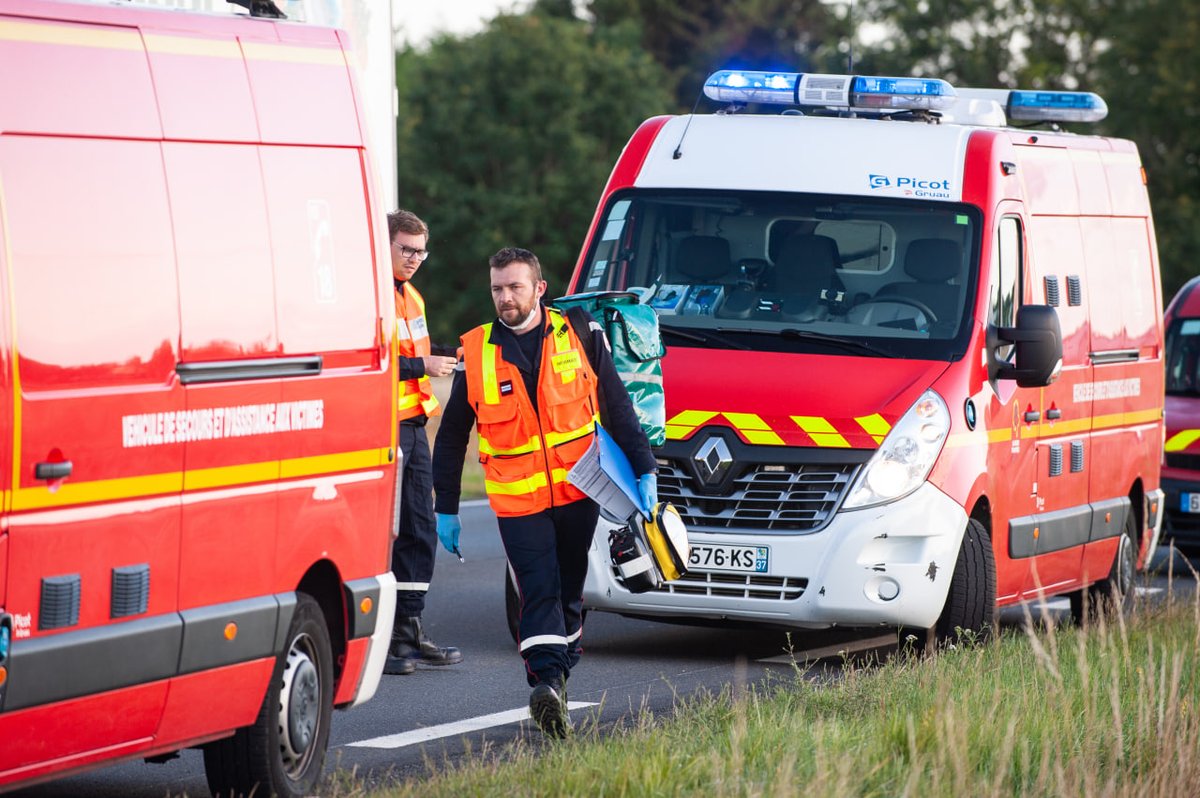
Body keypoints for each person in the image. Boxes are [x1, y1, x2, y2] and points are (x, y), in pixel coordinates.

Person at [431, 247, 657, 737]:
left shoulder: (579, 333)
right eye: (497, 289)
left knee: (569, 592)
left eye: (515, 287)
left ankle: (560, 677)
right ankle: (546, 683)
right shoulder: (477, 351)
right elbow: (451, 436)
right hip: (518, 503)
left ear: (539, 288)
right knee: (537, 589)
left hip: (579, 492)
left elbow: (617, 405)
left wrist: (644, 469)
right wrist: (445, 506)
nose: (505, 298)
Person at [385, 209, 463, 676]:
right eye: (406, 249)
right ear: (385, 245)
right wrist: (423, 366)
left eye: (421, 252)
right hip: (381, 427)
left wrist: (448, 357)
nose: (414, 258)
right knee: (388, 532)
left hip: (413, 424)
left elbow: (416, 354)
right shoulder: (371, 295)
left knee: (420, 527)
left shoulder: (412, 296)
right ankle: (384, 641)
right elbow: (370, 359)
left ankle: (407, 631)